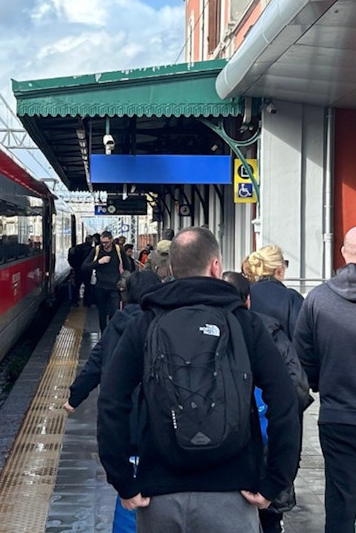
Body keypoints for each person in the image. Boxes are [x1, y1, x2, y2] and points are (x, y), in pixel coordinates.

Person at [97, 227, 301, 533]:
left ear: (171, 269)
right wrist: (275, 481)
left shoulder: (146, 322)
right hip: (233, 494)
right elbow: (284, 400)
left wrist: (123, 479)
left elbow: (112, 400)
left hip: (159, 496)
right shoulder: (245, 324)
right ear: (215, 266)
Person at [64, 269, 160, 533]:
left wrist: (75, 396)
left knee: (129, 493)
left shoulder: (117, 324)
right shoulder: (162, 324)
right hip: (154, 420)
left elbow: (95, 362)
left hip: (122, 419)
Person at [223, 271, 312, 533]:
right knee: (270, 519)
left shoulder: (206, 330)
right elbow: (297, 385)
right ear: (248, 300)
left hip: (222, 452)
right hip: (266, 446)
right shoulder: (270, 330)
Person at [293, 226, 356, 533]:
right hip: (339, 411)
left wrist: (324, 382)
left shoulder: (318, 299)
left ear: (344, 253)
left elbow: (303, 360)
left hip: (337, 415)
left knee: (341, 499)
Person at [244, 245, 304, 340]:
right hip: (284, 353)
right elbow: (301, 337)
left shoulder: (245, 294)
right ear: (279, 270)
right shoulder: (291, 298)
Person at [82, 230, 130, 333]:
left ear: (111, 240)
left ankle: (112, 334)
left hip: (115, 287)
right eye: (102, 242)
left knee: (115, 312)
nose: (104, 245)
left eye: (106, 242)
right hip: (100, 286)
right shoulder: (97, 250)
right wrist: (99, 262)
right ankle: (104, 334)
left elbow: (127, 267)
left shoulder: (118, 250)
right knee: (102, 313)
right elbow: (84, 267)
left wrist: (125, 281)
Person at [68, 235, 93, 306]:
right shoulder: (92, 250)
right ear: (90, 241)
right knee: (87, 286)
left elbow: (71, 257)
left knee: (77, 286)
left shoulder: (77, 248)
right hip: (87, 271)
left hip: (78, 270)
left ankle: (74, 301)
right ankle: (86, 302)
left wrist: (74, 266)